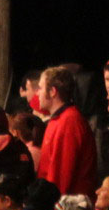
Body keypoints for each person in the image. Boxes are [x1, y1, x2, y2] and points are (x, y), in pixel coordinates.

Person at [35, 65, 99, 197]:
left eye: (40, 88)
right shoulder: (59, 119)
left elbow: (61, 176)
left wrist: (47, 204)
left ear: (52, 91)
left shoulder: (69, 122)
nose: (37, 93)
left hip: (66, 205)